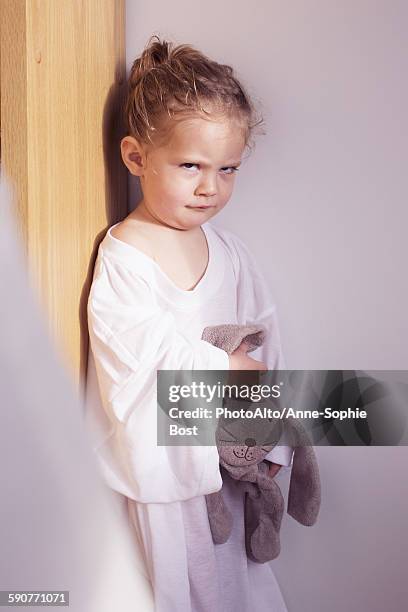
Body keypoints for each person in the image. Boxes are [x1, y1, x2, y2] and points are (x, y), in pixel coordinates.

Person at [85, 35, 293, 611]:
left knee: (240, 591)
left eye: (227, 169)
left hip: (231, 471)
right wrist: (224, 367)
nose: (210, 187)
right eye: (190, 166)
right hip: (172, 489)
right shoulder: (126, 255)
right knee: (183, 591)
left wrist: (270, 430)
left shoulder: (230, 252)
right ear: (135, 158)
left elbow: (265, 339)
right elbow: (132, 364)